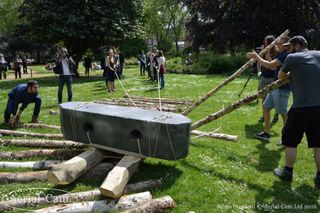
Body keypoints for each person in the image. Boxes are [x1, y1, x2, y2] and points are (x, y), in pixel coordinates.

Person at [273, 36, 320, 187]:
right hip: (319, 107)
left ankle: (287, 172)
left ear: (298, 45)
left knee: (290, 141)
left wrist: (292, 74)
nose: (287, 49)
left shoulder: (292, 58)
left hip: (300, 107)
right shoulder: (319, 54)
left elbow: (281, 76)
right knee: (318, 144)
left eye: (290, 46)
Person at [246, 36, 291, 141]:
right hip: (275, 86)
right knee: (266, 107)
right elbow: (274, 67)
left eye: (279, 43)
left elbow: (270, 65)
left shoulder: (286, 55)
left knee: (283, 114)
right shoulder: (281, 54)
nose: (277, 45)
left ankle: (288, 137)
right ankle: (266, 133)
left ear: (286, 46)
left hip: (281, 87)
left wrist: (257, 57)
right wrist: (265, 55)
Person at [256, 35, 279, 124]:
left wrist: (267, 54)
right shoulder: (264, 50)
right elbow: (259, 62)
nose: (264, 44)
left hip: (273, 78)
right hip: (264, 77)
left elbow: (272, 66)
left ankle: (276, 115)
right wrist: (259, 72)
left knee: (275, 97)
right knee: (263, 97)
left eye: (266, 42)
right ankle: (264, 115)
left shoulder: (277, 52)